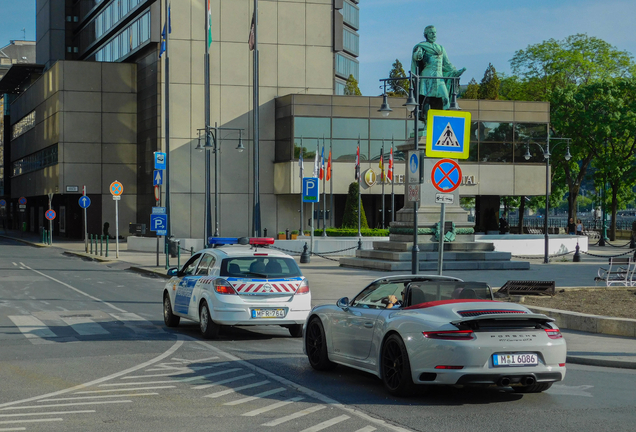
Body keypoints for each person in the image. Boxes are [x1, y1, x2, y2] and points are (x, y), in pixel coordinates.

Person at [411, 25, 466, 117]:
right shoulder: (422, 46)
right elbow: (417, 57)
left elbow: (447, 64)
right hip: (427, 76)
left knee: (445, 99)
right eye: (431, 33)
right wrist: (418, 54)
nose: (434, 35)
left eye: (435, 33)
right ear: (426, 35)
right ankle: (426, 121)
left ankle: (444, 120)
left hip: (439, 77)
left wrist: (455, 72)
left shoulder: (441, 48)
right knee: (426, 100)